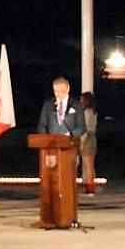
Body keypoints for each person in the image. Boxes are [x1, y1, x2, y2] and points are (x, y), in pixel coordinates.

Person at [35, 76, 86, 227]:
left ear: (68, 89)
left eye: (62, 91)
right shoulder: (48, 105)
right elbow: (42, 125)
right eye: (56, 91)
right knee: (51, 181)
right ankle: (49, 217)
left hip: (69, 150)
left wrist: (70, 135)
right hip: (50, 151)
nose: (59, 94)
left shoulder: (76, 105)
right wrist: (46, 139)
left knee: (68, 183)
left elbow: (82, 128)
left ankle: (70, 216)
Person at [78, 92, 100, 194]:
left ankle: (90, 189)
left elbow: (86, 130)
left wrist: (81, 143)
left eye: (82, 99)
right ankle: (91, 187)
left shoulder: (87, 112)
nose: (80, 101)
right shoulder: (93, 112)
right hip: (92, 138)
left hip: (87, 139)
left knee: (88, 166)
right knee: (90, 165)